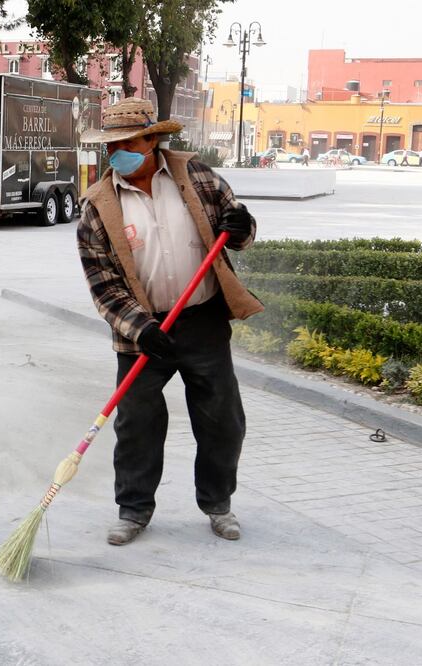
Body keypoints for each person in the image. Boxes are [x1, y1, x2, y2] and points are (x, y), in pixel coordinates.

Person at [77, 97, 263, 546]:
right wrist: (140, 328)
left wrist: (243, 227)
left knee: (222, 419)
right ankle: (134, 510)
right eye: (111, 145)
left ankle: (218, 505)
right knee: (136, 424)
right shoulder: (98, 206)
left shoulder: (197, 178)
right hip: (142, 333)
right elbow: (102, 284)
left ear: (154, 139)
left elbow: (237, 229)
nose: (117, 152)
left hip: (202, 320)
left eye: (128, 142)